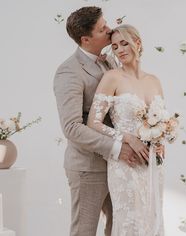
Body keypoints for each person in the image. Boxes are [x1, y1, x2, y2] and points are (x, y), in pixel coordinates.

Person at [53, 7, 142, 236]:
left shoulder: (108, 62)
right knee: (85, 231)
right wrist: (116, 149)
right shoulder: (69, 72)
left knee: (119, 227)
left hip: (119, 168)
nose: (109, 29)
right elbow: (72, 128)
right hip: (88, 168)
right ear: (85, 39)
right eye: (102, 29)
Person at [87, 24, 165, 235]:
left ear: (137, 43)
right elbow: (93, 123)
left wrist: (161, 145)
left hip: (152, 165)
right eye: (114, 46)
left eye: (124, 43)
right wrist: (127, 138)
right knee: (131, 222)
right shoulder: (112, 77)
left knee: (152, 219)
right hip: (126, 163)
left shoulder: (154, 81)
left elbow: (160, 122)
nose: (120, 50)